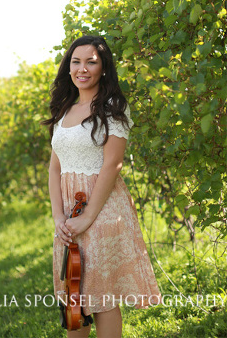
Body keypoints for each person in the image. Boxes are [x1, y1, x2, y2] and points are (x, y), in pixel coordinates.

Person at [43, 35, 161, 337]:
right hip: (69, 213)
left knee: (102, 296)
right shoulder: (64, 109)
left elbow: (112, 165)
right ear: (68, 66)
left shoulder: (112, 108)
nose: (82, 69)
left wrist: (87, 218)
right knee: (74, 295)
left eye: (91, 62)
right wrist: (59, 217)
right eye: (76, 61)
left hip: (102, 209)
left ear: (104, 67)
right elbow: (55, 167)